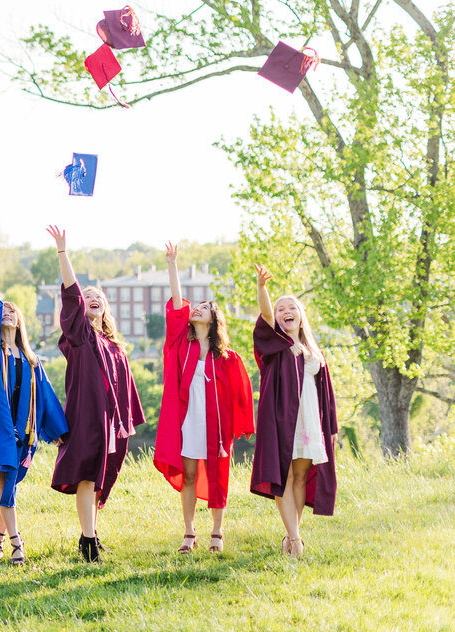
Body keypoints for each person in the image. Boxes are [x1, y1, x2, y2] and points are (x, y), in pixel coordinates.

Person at [48, 225, 145, 563]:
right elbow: (71, 295)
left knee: (100, 479)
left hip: (110, 422)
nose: (92, 299)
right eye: (88, 297)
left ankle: (90, 534)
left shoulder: (114, 346)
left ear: (106, 308)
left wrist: (126, 420)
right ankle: (88, 541)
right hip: (85, 417)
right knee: (87, 475)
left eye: (99, 298)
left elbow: (125, 385)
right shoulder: (79, 336)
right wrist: (63, 253)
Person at [153, 243, 254, 554]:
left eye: (204, 307)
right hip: (186, 421)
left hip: (216, 426)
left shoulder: (227, 358)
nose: (196, 309)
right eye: (195, 307)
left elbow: (241, 394)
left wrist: (240, 425)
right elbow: (177, 306)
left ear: (214, 319)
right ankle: (188, 532)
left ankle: (217, 532)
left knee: (217, 475)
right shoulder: (180, 346)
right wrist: (173, 265)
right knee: (190, 474)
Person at [0, 247, 68, 566]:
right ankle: (16, 544)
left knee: (7, 484)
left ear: (21, 320)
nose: (7, 312)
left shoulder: (31, 360)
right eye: (4, 310)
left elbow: (46, 397)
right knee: (7, 475)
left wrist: (57, 431)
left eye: (13, 310)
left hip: (24, 434)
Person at [251, 264, 338, 557]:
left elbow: (327, 393)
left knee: (301, 477)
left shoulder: (313, 350)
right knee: (285, 478)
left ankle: (292, 535)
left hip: (311, 421)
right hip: (282, 421)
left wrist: (332, 429)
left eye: (291, 308)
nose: (285, 311)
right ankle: (296, 541)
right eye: (280, 309)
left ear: (301, 316)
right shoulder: (276, 344)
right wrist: (263, 287)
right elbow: (264, 314)